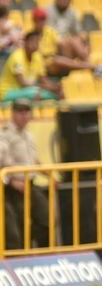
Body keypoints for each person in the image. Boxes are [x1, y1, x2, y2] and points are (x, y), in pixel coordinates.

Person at [0, 98, 49, 250]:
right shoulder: (5, 134)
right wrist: (13, 182)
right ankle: (19, 258)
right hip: (11, 187)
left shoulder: (28, 135)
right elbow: (2, 163)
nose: (23, 115)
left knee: (46, 219)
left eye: (26, 111)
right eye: (19, 111)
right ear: (13, 113)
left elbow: (33, 160)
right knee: (15, 230)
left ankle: (33, 251)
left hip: (29, 183)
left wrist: (49, 176)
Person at [0, 31, 62, 102]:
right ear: (26, 42)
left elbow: (43, 79)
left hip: (29, 91)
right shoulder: (17, 56)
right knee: (35, 93)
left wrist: (54, 87)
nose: (35, 44)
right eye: (33, 41)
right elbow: (23, 84)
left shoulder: (37, 57)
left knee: (55, 94)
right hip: (8, 92)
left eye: (37, 42)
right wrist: (43, 87)